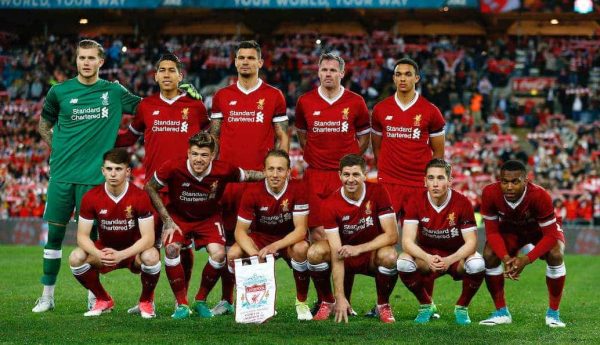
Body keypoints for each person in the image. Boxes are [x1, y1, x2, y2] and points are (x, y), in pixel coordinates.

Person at [33, 39, 142, 313]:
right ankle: (47, 295)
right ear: (76, 60)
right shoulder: (59, 91)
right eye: (82, 57)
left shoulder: (113, 92)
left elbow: (148, 108)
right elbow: (44, 123)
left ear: (101, 62)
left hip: (94, 179)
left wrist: (182, 95)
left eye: (91, 58)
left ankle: (94, 295)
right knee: (54, 237)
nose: (86, 62)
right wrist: (57, 146)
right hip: (62, 176)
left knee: (93, 241)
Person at [115, 53, 210, 314]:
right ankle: (147, 300)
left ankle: (183, 301)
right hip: (153, 190)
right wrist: (97, 133)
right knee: (147, 249)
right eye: (162, 70)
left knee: (181, 244)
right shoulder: (146, 106)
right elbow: (127, 139)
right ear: (155, 76)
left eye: (172, 70)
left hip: (187, 189)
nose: (167, 75)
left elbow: (211, 140)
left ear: (181, 76)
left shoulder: (196, 107)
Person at [145, 131, 264, 319]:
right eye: (194, 154)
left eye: (203, 155)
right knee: (171, 250)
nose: (198, 159)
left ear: (213, 155)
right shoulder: (173, 167)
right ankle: (182, 304)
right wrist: (167, 219)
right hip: (178, 218)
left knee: (219, 254)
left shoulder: (223, 169)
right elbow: (150, 186)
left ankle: (201, 300)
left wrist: (271, 175)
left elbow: (248, 175)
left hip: (208, 218)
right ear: (188, 153)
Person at [209, 40, 289, 314]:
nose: (245, 62)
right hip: (229, 182)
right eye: (240, 57)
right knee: (229, 243)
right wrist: (212, 171)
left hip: (259, 183)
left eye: (250, 58)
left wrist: (280, 171)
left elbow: (282, 135)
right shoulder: (222, 96)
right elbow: (214, 137)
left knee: (260, 242)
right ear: (235, 62)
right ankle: (227, 299)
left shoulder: (274, 95)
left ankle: (264, 300)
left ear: (260, 63)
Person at [306, 154, 399, 323]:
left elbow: (392, 235)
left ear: (365, 174)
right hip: (344, 254)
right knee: (314, 252)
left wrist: (358, 248)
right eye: (346, 174)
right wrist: (339, 296)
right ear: (339, 175)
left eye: (356, 174)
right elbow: (336, 252)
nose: (351, 179)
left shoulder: (378, 191)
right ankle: (328, 301)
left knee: (390, 256)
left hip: (370, 255)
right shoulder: (330, 204)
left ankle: (382, 305)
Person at [68, 148, 160, 318]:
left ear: (127, 171)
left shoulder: (139, 197)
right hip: (105, 251)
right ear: (103, 170)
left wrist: (122, 254)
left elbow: (148, 238)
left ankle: (146, 302)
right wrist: (97, 253)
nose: (113, 174)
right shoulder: (91, 197)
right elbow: (82, 236)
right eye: (109, 169)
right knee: (75, 257)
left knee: (152, 256)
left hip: (133, 252)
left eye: (118, 169)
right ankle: (103, 299)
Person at [479, 160, 566, 328]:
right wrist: (506, 258)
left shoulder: (540, 195)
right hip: (510, 231)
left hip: (537, 231)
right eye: (505, 182)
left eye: (515, 182)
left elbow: (550, 236)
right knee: (489, 255)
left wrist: (525, 260)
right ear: (500, 180)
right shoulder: (490, 193)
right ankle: (501, 312)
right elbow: (492, 232)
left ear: (525, 181)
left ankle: (553, 313)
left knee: (556, 254)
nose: (509, 187)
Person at [397, 159, 485, 325]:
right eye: (431, 178)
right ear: (425, 181)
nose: (435, 184)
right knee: (403, 262)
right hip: (427, 256)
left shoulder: (462, 202)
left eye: (440, 178)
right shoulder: (415, 201)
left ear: (450, 181)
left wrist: (449, 260)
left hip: (455, 257)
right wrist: (428, 257)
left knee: (477, 264)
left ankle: (462, 307)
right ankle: (426, 305)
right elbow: (407, 242)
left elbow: (471, 242)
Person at [227, 149, 312, 320]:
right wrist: (253, 255)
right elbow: (240, 231)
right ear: (264, 171)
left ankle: (301, 303)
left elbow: (301, 230)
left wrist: (275, 246)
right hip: (261, 237)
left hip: (288, 238)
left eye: (280, 169)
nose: (275, 174)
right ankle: (250, 303)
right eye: (271, 169)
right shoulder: (252, 192)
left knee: (302, 249)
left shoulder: (299, 190)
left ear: (288, 172)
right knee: (233, 254)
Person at [295, 52, 370, 241]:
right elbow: (302, 136)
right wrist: (316, 155)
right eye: (324, 70)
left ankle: (345, 271)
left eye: (333, 70)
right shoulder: (305, 101)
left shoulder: (356, 101)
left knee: (347, 231)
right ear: (318, 73)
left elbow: (364, 138)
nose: (328, 74)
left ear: (342, 73)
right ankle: (324, 270)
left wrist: (350, 161)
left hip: (344, 175)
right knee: (319, 233)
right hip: (316, 175)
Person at [371, 57, 445, 222]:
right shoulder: (380, 109)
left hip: (418, 182)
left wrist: (429, 178)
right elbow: (376, 146)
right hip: (388, 182)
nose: (402, 78)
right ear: (394, 78)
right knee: (383, 237)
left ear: (416, 78)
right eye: (398, 74)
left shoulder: (431, 111)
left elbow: (439, 152)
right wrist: (384, 170)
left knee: (419, 238)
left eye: (407, 74)